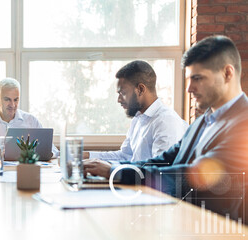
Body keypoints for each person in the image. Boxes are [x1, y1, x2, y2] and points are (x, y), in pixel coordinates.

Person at [83, 36, 248, 221]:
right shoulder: (203, 122)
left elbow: (191, 176)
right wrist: (111, 168)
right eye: (188, 79)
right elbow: (163, 160)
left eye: (198, 78)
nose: (189, 89)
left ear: (227, 73)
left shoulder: (243, 124)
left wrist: (116, 172)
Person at [83, 60, 188, 162]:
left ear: (141, 89)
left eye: (123, 93)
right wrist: (86, 156)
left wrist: (110, 170)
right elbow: (125, 156)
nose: (119, 100)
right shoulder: (138, 119)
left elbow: (160, 170)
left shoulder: (166, 121)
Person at [0, 78, 59, 156]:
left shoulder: (31, 121)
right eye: (7, 99)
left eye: (16, 100)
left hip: (24, 170)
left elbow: (53, 151)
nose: (12, 105)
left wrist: (32, 153)